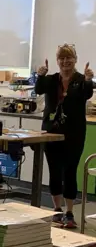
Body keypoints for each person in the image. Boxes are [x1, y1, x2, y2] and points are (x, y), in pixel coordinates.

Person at [35, 44, 94, 229]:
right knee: (54, 170)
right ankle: (57, 210)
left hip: (73, 133)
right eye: (61, 58)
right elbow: (38, 89)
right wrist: (40, 75)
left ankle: (69, 212)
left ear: (75, 60)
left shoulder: (80, 80)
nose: (65, 61)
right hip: (51, 132)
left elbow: (87, 93)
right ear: (57, 61)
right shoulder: (52, 80)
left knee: (70, 170)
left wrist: (88, 79)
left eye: (69, 58)